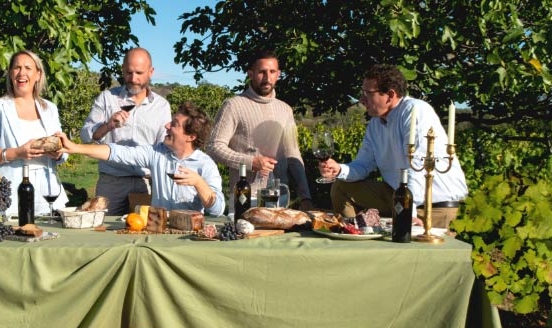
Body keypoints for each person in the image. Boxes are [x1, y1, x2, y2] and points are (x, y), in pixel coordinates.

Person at [318, 64, 468, 229]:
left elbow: (417, 166)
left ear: (390, 95)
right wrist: (339, 169)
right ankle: (353, 236)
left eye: (367, 93)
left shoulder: (415, 111)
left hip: (435, 206)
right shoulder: (375, 124)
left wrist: (406, 213)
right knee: (341, 185)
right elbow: (363, 165)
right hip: (399, 197)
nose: (361, 99)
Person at [61, 102, 224, 216]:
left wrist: (199, 183)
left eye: (174, 124)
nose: (166, 126)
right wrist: (75, 148)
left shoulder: (205, 165)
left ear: (191, 136)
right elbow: (117, 152)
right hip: (157, 231)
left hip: (189, 235)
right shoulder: (157, 153)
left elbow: (217, 210)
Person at [208, 50, 313, 212]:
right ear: (250, 74)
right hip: (245, 198)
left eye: (272, 72)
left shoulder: (285, 110)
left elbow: (293, 155)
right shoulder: (234, 105)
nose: (267, 78)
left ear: (278, 74)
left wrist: (306, 197)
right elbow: (214, 147)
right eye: (262, 72)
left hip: (281, 200)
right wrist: (251, 162)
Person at [0, 50, 68, 217]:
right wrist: (18, 152)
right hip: (8, 198)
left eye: (28, 67)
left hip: (47, 196)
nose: (22, 73)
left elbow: (63, 153)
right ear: (11, 74)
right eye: (17, 68)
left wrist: (58, 154)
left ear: (38, 75)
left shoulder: (50, 109)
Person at [80, 47, 172, 215]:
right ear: (122, 70)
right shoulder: (107, 98)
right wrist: (107, 126)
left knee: (144, 232)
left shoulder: (161, 106)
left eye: (139, 73)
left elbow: (163, 148)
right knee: (102, 233)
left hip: (145, 184)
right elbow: (86, 135)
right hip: (111, 182)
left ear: (151, 72)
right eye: (129, 73)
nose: (133, 79)